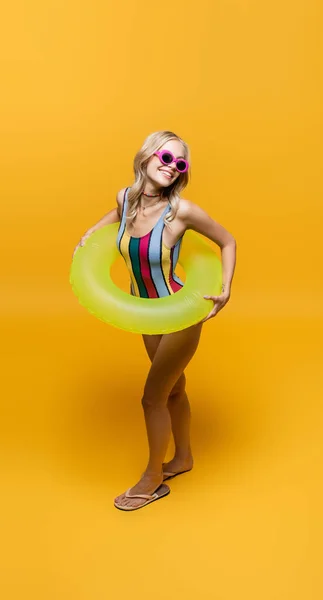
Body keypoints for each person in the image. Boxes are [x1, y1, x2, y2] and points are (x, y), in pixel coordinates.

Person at [73, 130, 237, 511]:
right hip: (146, 314)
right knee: (175, 390)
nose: (171, 167)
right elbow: (116, 217)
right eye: (165, 158)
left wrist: (226, 287)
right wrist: (92, 233)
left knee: (152, 398)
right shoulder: (126, 199)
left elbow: (227, 240)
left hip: (179, 313)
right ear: (146, 157)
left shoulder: (181, 211)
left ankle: (152, 478)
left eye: (180, 164)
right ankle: (183, 458)